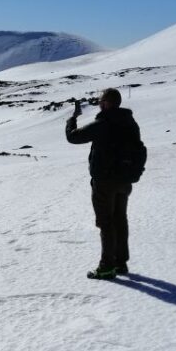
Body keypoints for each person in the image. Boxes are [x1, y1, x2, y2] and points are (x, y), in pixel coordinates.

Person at [65, 88, 142, 280]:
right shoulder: (130, 122)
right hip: (124, 180)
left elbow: (73, 137)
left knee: (106, 222)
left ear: (107, 103)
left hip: (104, 182)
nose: (99, 103)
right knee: (120, 219)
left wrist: (71, 119)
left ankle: (107, 267)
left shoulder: (103, 123)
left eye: (101, 100)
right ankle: (120, 263)